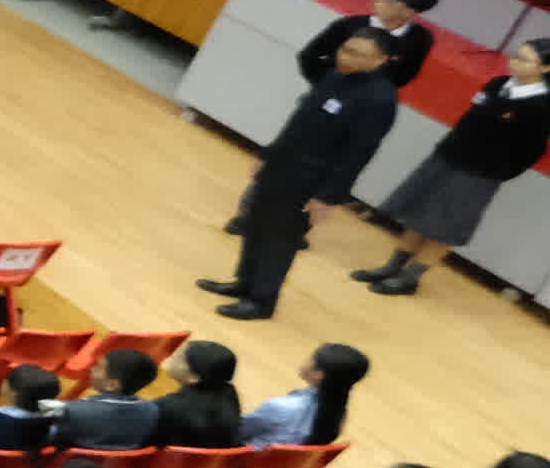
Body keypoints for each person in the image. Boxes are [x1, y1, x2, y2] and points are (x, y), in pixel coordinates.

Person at [206, 28, 400, 320]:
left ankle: (261, 301)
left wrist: (328, 196)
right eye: (345, 49)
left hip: (311, 179)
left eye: (358, 55)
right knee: (256, 224)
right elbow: (298, 122)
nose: (345, 57)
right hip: (282, 165)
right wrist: (268, 153)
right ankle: (244, 282)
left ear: (380, 60)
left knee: (280, 238)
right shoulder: (333, 76)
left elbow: (358, 153)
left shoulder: (380, 100)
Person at [359, 32, 549, 294]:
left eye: (525, 60)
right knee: (418, 212)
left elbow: (532, 150)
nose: (515, 62)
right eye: (516, 56)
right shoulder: (498, 84)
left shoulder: (542, 106)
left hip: (479, 173)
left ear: (545, 68)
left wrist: (496, 171)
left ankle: (411, 277)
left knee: (446, 226)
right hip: (447, 157)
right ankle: (393, 265)